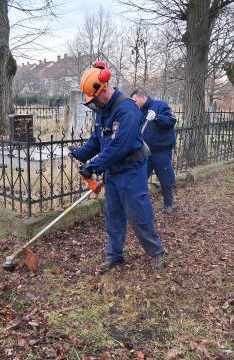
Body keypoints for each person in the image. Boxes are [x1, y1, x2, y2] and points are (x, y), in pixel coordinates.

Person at [69, 62, 165, 270]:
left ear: (104, 90)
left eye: (95, 99)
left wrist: (95, 166)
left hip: (132, 171)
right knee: (113, 216)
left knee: (139, 215)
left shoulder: (127, 110)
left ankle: (156, 252)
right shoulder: (104, 111)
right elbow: (97, 140)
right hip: (113, 172)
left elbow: (120, 146)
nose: (94, 103)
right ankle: (115, 255)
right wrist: (80, 154)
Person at [131, 89, 177, 213]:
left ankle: (168, 203)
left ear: (143, 97)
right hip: (144, 151)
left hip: (161, 151)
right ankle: (138, 206)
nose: (134, 103)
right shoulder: (138, 111)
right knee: (140, 179)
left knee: (165, 179)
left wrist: (156, 117)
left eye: (135, 100)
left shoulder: (160, 105)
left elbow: (171, 121)